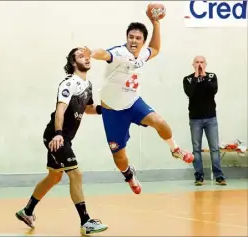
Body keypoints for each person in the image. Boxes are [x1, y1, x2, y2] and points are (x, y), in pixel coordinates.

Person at [81, 10, 194, 195]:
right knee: (119, 156)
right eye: (131, 37)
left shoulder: (143, 54)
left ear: (143, 41)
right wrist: (91, 53)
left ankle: (175, 149)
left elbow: (156, 49)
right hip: (112, 111)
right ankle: (129, 175)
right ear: (126, 38)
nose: (133, 41)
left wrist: (156, 23)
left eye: (138, 38)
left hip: (133, 103)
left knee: (160, 122)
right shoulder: (119, 53)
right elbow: (104, 54)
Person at [15, 48, 108, 235]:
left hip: (63, 138)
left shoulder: (87, 84)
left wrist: (105, 110)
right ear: (74, 63)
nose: (87, 58)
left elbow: (87, 108)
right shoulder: (69, 83)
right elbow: (60, 109)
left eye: (87, 55)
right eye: (81, 56)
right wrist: (58, 134)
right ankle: (85, 221)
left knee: (54, 176)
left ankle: (27, 211)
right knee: (76, 174)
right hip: (56, 136)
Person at [183, 56, 226, 186]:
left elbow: (213, 91)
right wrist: (196, 77)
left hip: (210, 118)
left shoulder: (212, 76)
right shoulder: (188, 79)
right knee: (196, 149)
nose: (199, 64)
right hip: (195, 119)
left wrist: (204, 76)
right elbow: (190, 93)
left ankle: (219, 176)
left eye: (202, 62)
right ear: (192, 64)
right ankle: (199, 176)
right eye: (197, 62)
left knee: (214, 148)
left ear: (206, 64)